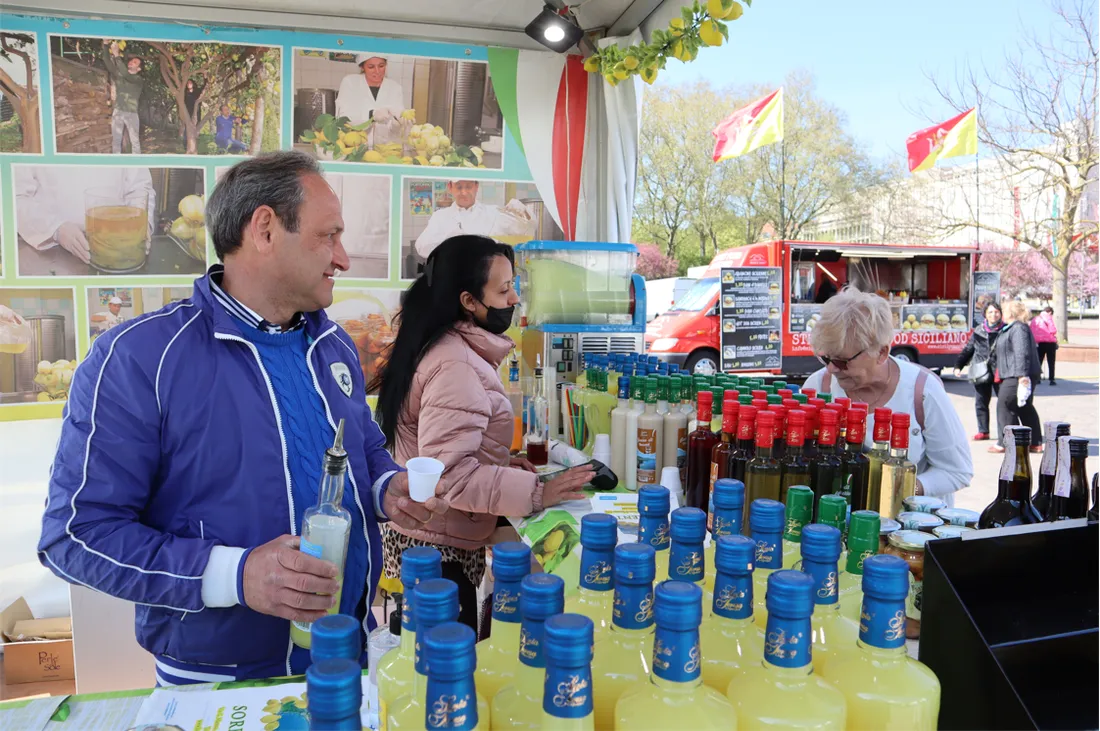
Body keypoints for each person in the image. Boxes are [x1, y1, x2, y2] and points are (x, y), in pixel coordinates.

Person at [38, 151, 447, 685]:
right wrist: (236, 575)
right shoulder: (139, 356)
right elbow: (74, 536)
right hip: (217, 682)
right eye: (329, 236)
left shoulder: (334, 346)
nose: (343, 258)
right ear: (265, 229)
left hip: (348, 660)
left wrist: (386, 487)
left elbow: (362, 447)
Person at [371, 235, 594, 632]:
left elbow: (441, 446)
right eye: (504, 289)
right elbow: (451, 476)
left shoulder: (449, 348)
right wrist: (539, 492)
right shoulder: (454, 364)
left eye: (515, 287)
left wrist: (501, 463)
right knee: (440, 676)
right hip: (435, 552)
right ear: (468, 301)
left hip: (432, 537)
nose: (514, 300)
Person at [801, 287, 973, 506]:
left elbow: (957, 471)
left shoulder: (923, 391)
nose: (832, 369)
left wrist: (903, 488)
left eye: (843, 361)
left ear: (881, 352)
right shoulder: (818, 387)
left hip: (908, 527)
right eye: (826, 359)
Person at [15, 165, 156, 266]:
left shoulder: (120, 140)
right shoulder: (35, 136)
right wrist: (55, 229)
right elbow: (14, 196)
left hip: (121, 248)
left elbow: (139, 188)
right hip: (52, 255)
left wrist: (142, 224)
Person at [413, 180, 535, 261]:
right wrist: (450, 240)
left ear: (476, 186)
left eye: (468, 187)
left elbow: (527, 230)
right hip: (452, 279)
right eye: (459, 187)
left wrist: (522, 212)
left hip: (485, 281)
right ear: (450, 187)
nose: (464, 192)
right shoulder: (440, 216)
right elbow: (421, 247)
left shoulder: (493, 213)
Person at [990, 301, 1044, 454]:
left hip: (1016, 374)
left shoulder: (1018, 328)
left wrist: (1022, 376)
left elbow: (1021, 353)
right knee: (1023, 406)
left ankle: (1006, 442)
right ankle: (1034, 442)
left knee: (1005, 404)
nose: (1002, 313)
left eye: (1004, 310)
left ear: (1011, 313)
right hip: (1014, 372)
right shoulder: (1013, 328)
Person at [954, 302, 1005, 441]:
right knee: (981, 402)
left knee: (1004, 402)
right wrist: (958, 365)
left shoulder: (1006, 329)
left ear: (1000, 313)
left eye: (996, 312)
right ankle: (983, 431)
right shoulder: (979, 330)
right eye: (990, 312)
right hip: (980, 370)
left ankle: (1006, 432)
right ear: (985, 315)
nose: (993, 315)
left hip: (1000, 370)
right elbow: (969, 348)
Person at [335, 54, 405, 143]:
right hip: (356, 145)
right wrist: (371, 115)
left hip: (384, 148)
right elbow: (342, 119)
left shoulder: (395, 87)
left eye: (381, 66)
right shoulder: (350, 83)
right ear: (362, 67)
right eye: (371, 67)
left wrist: (398, 125)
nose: (377, 71)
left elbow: (397, 128)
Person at [102, 41, 144, 154]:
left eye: (135, 62)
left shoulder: (138, 80)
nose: (131, 62)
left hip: (132, 113)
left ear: (139, 69)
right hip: (118, 111)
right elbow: (107, 61)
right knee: (116, 141)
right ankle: (117, 165)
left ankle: (136, 167)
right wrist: (105, 45)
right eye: (131, 61)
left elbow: (126, 75)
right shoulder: (120, 75)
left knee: (135, 142)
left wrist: (116, 55)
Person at [1030, 306, 1059, 385]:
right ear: (1050, 312)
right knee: (1051, 361)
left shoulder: (1035, 319)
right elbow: (1053, 330)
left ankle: (1037, 378)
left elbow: (1031, 329)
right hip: (1050, 343)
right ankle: (1051, 379)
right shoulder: (1048, 318)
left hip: (1039, 343)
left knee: (1039, 361)